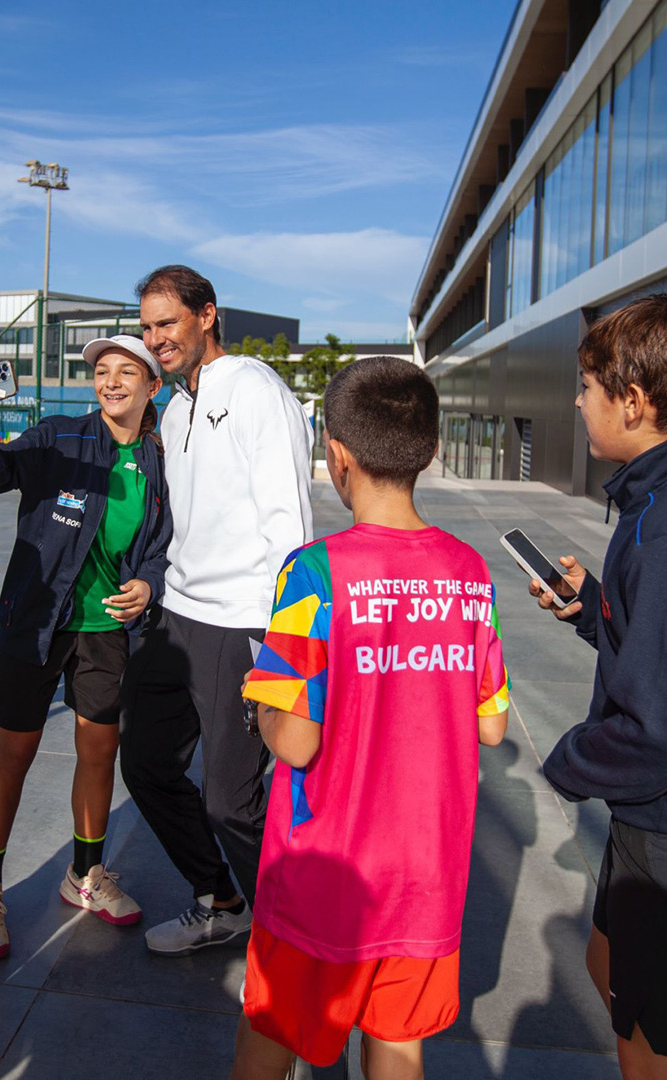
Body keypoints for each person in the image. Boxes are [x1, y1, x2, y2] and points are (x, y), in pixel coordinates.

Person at [231, 356, 509, 1080]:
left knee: (272, 1034)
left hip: (323, 874)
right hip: (426, 875)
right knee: (397, 1046)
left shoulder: (312, 573)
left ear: (338, 455)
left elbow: (296, 742)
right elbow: (491, 724)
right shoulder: (469, 572)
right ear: (431, 450)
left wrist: (260, 701)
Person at [0, 335, 170, 962]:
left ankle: (85, 874)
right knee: (14, 751)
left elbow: (161, 542)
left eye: (127, 372)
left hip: (106, 629)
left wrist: (149, 582)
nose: (111, 380)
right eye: (102, 370)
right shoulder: (59, 436)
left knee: (99, 750)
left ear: (153, 386)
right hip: (36, 621)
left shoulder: (160, 457)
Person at [119, 265, 314, 956]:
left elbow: (290, 523)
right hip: (177, 617)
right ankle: (222, 901)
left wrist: (286, 639)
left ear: (207, 315)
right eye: (147, 327)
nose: (155, 339)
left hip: (244, 620)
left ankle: (296, 944)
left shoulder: (257, 389)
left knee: (231, 802)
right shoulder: (174, 407)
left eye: (167, 323)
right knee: (145, 764)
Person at [529, 296, 667, 1080]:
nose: (578, 403)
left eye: (587, 387)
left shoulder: (658, 527)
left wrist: (565, 763)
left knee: (641, 1034)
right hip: (643, 823)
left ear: (634, 401)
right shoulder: (646, 504)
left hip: (658, 827)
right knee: (606, 968)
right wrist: (595, 610)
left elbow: (655, 730)